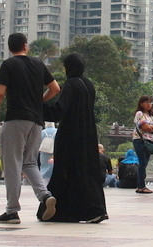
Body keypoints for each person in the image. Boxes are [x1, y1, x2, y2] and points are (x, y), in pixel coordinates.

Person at [0, 33, 61, 224]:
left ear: (10, 48)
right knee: (30, 163)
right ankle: (44, 195)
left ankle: (12, 211)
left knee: (12, 164)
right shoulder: (38, 64)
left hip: (15, 119)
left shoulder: (9, 65)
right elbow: (56, 88)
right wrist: (37, 102)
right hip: (36, 122)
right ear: (25, 46)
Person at [40, 53, 107, 223]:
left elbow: (59, 111)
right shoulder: (88, 84)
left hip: (70, 136)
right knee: (87, 173)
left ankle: (64, 211)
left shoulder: (70, 84)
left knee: (66, 172)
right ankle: (95, 209)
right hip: (88, 135)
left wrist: (39, 106)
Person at [132, 94, 153, 194]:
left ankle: (141, 185)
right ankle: (141, 186)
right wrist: (151, 127)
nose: (149, 104)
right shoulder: (139, 113)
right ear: (141, 104)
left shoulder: (150, 116)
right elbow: (145, 128)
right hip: (140, 140)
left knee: (144, 163)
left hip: (148, 141)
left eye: (150, 102)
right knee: (142, 162)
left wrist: (150, 127)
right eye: (147, 102)